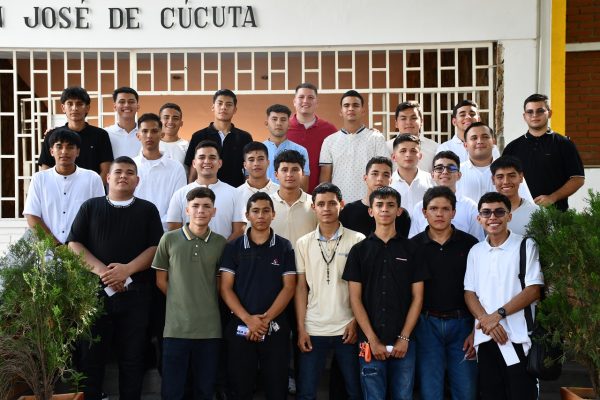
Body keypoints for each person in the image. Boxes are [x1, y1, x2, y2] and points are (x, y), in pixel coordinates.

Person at [67, 156, 164, 400]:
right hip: (94, 296)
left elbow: (156, 248)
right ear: (108, 178)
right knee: (91, 357)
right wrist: (105, 272)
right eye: (118, 172)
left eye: (129, 172)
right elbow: (74, 244)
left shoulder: (147, 210)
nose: (123, 176)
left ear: (137, 180)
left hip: (136, 295)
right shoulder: (90, 207)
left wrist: (127, 270)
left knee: (133, 358)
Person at [343, 186, 427, 400]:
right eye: (379, 205)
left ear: (399, 211)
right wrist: (372, 340)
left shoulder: (412, 249)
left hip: (405, 341)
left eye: (390, 205)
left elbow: (418, 297)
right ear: (370, 211)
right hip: (369, 341)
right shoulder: (359, 250)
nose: (384, 210)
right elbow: (355, 298)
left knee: (403, 396)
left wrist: (404, 338)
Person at [464, 192, 544, 400]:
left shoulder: (526, 245)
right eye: (486, 212)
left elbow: (534, 289)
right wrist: (486, 320)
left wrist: (497, 315)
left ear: (509, 216)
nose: (493, 217)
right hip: (486, 338)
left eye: (499, 212)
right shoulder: (475, 251)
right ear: (479, 218)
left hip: (519, 339)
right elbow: (469, 293)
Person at [219, 192, 297, 400]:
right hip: (240, 327)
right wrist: (248, 320)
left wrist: (264, 321)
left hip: (275, 327)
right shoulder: (233, 247)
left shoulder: (284, 246)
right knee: (240, 388)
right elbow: (225, 288)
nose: (260, 216)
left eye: (265, 211)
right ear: (247, 215)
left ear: (273, 214)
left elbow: (289, 287)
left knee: (277, 389)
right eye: (255, 211)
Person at [153, 187, 227, 400]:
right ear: (187, 210)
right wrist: (180, 300)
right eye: (195, 206)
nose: (200, 210)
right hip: (176, 329)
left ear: (214, 211)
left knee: (204, 390)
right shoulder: (168, 239)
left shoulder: (221, 243)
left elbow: (221, 284)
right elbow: (161, 280)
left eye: (206, 206)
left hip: (210, 330)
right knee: (172, 391)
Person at [295, 183, 364, 400]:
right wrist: (301, 328)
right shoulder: (303, 243)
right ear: (313, 207)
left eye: (332, 203)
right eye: (321, 204)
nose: (326, 209)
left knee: (355, 390)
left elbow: (364, 287)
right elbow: (300, 288)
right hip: (314, 327)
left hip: (347, 328)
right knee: (306, 392)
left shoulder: (357, 240)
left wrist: (356, 322)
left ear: (341, 205)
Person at [411, 186, 479, 400]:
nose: (439, 214)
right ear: (424, 212)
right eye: (433, 209)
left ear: (454, 212)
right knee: (430, 392)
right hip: (426, 325)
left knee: (466, 391)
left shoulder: (470, 245)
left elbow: (480, 290)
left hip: (463, 325)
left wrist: (476, 330)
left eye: (445, 209)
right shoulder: (413, 247)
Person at [502, 93, 585, 211]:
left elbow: (578, 179)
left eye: (540, 111)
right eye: (530, 112)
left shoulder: (564, 144)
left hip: (555, 212)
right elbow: (502, 179)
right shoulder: (512, 147)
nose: (534, 115)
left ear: (549, 113)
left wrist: (553, 197)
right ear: (524, 116)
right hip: (517, 211)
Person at [23, 128, 104, 244]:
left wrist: (78, 247)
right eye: (59, 147)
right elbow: (32, 216)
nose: (64, 151)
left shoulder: (92, 179)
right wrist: (57, 246)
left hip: (84, 249)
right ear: (51, 151)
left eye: (70, 147)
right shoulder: (39, 179)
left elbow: (99, 216)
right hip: (48, 250)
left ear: (78, 152)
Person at [319, 90, 388, 202]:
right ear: (341, 111)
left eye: (355, 105)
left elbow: (385, 173)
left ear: (363, 111)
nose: (351, 108)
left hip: (370, 203)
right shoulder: (329, 141)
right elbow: (325, 179)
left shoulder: (376, 138)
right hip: (339, 204)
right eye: (346, 105)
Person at [167, 140, 244, 240]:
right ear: (194, 163)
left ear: (220, 163)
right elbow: (173, 230)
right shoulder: (179, 194)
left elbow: (239, 231)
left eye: (212, 157)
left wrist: (223, 248)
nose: (207, 161)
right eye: (202, 157)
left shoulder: (235, 194)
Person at [38, 86, 113, 182]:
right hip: (59, 189)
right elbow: (45, 168)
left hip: (91, 189)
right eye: (70, 104)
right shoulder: (52, 135)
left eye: (79, 104)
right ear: (63, 107)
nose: (74, 108)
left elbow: (106, 170)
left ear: (87, 108)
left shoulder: (100, 135)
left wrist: (93, 189)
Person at [408, 150, 483, 240]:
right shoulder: (420, 207)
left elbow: (477, 242)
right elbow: (413, 243)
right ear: (432, 175)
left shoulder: (471, 207)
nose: (445, 172)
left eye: (451, 168)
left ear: (459, 175)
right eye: (439, 168)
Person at [184, 89, 253, 187]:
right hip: (204, 192)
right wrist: (190, 190)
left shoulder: (245, 137)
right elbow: (193, 168)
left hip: (235, 191)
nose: (223, 107)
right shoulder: (199, 136)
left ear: (234, 110)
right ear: (213, 107)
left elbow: (248, 169)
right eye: (220, 103)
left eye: (228, 104)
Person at [133, 113, 186, 231]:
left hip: (166, 233)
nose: (149, 135)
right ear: (138, 135)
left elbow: (178, 204)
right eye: (145, 131)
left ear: (162, 134)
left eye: (154, 131)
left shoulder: (176, 168)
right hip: (134, 229)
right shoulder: (131, 166)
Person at [456, 122, 531, 204]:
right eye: (474, 138)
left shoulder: (512, 170)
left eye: (485, 137)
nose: (479, 141)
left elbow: (527, 205)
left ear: (493, 142)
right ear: (465, 145)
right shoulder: (456, 173)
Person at [339, 156, 411, 238]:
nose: (380, 179)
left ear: (391, 180)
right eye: (375, 174)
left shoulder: (400, 215)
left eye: (386, 175)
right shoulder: (348, 211)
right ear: (365, 178)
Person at [287, 83, 337, 193]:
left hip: (321, 196)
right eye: (301, 97)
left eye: (310, 97)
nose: (305, 101)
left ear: (316, 102)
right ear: (294, 101)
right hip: (288, 195)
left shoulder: (330, 130)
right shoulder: (284, 128)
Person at [270, 149, 318, 249]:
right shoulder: (266, 205)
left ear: (303, 173)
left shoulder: (315, 204)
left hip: (306, 258)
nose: (289, 174)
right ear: (276, 175)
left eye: (295, 169)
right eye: (284, 170)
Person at [263, 104, 310, 191]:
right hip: (263, 198)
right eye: (274, 119)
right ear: (266, 123)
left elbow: (303, 186)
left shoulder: (300, 151)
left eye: (283, 119)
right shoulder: (259, 150)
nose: (278, 123)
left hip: (290, 199)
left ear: (289, 124)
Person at [491, 156, 539, 236]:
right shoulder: (486, 214)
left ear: (521, 177)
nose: (506, 182)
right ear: (493, 180)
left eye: (511, 176)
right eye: (500, 177)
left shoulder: (537, 212)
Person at [385, 101, 439, 172]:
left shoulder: (435, 148)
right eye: (403, 118)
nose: (408, 122)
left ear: (421, 121)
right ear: (396, 123)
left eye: (413, 118)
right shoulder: (386, 147)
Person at [235, 141, 280, 224]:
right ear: (245, 165)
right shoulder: (236, 195)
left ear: (268, 162)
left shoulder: (280, 192)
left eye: (261, 159)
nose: (256, 163)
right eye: (251, 160)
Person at [390, 134, 434, 216]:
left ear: (420, 156)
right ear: (394, 157)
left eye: (413, 151)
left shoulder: (431, 180)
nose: (408, 155)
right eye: (403, 151)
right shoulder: (388, 183)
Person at [105, 87, 141, 158]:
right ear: (115, 107)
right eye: (122, 102)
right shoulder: (105, 134)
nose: (126, 105)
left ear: (137, 107)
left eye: (131, 102)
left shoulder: (146, 133)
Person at [159, 102, 189, 171]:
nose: (170, 122)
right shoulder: (151, 145)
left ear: (181, 123)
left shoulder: (187, 146)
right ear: (159, 122)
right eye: (166, 117)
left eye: (175, 118)